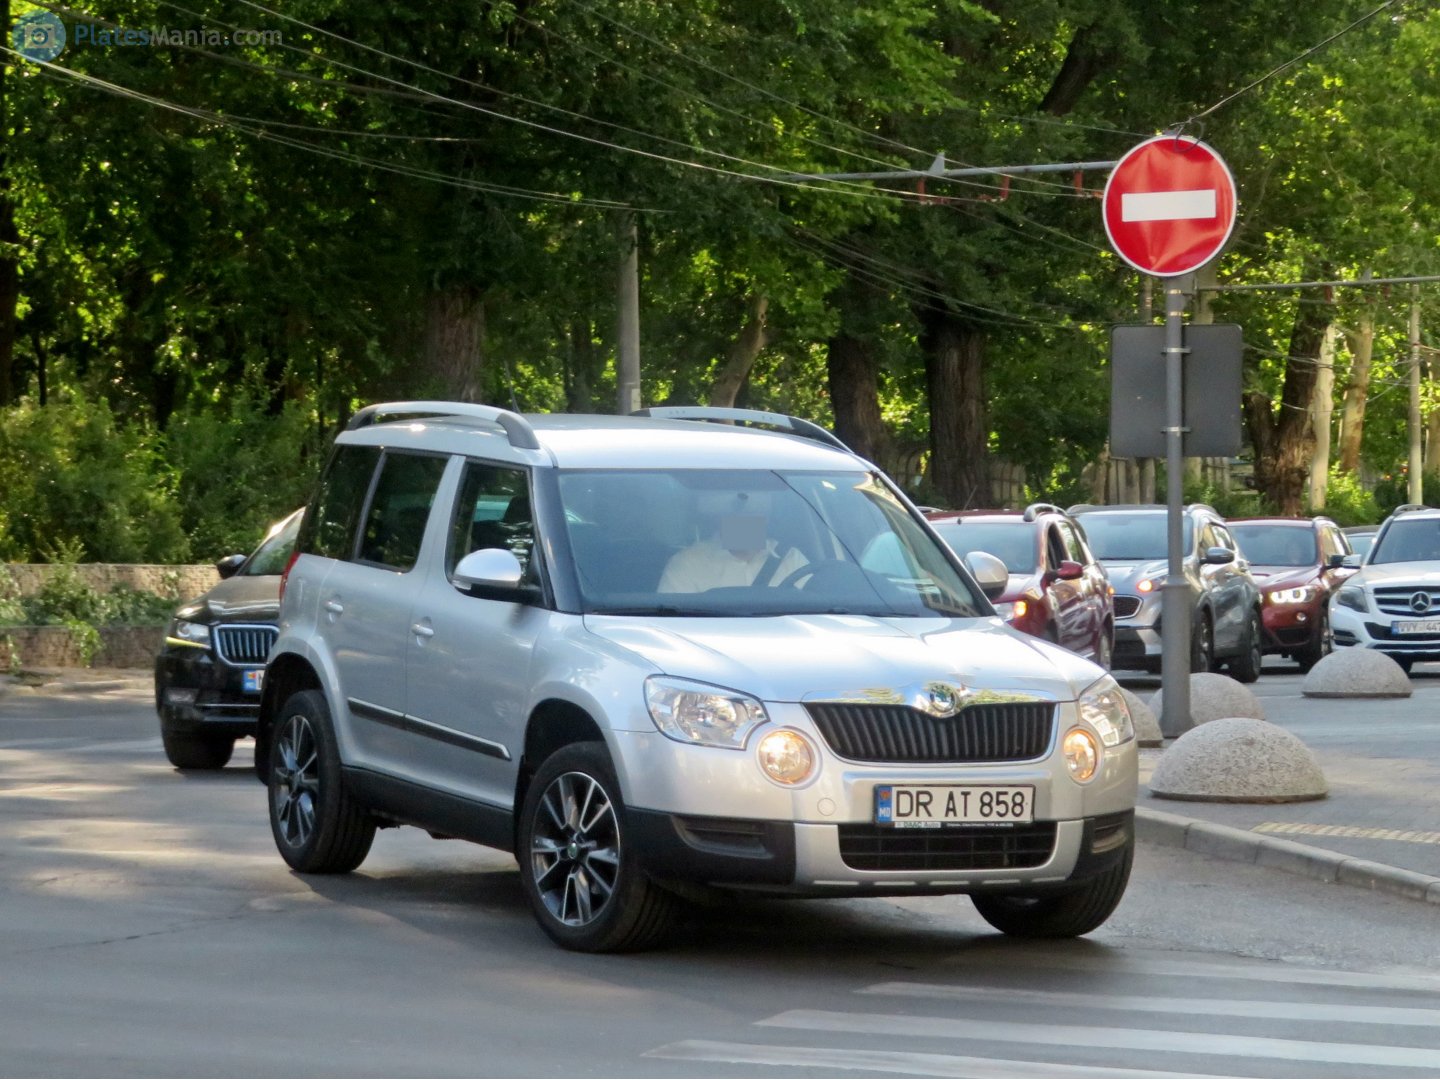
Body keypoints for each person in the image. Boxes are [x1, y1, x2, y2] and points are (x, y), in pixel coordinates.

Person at [658, 490, 808, 593]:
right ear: (718, 519)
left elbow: (814, 596)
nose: (744, 519)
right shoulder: (688, 562)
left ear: (767, 518)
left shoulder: (791, 559)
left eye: (753, 513)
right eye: (736, 513)